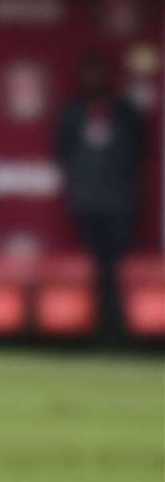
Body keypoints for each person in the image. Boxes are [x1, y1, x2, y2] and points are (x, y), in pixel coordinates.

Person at [55, 51, 146, 340]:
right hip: (87, 202)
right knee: (92, 270)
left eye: (98, 72)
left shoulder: (124, 111)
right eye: (88, 72)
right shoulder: (73, 110)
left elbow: (140, 149)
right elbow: (62, 149)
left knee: (119, 271)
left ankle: (121, 329)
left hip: (120, 202)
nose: (93, 79)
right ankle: (92, 328)